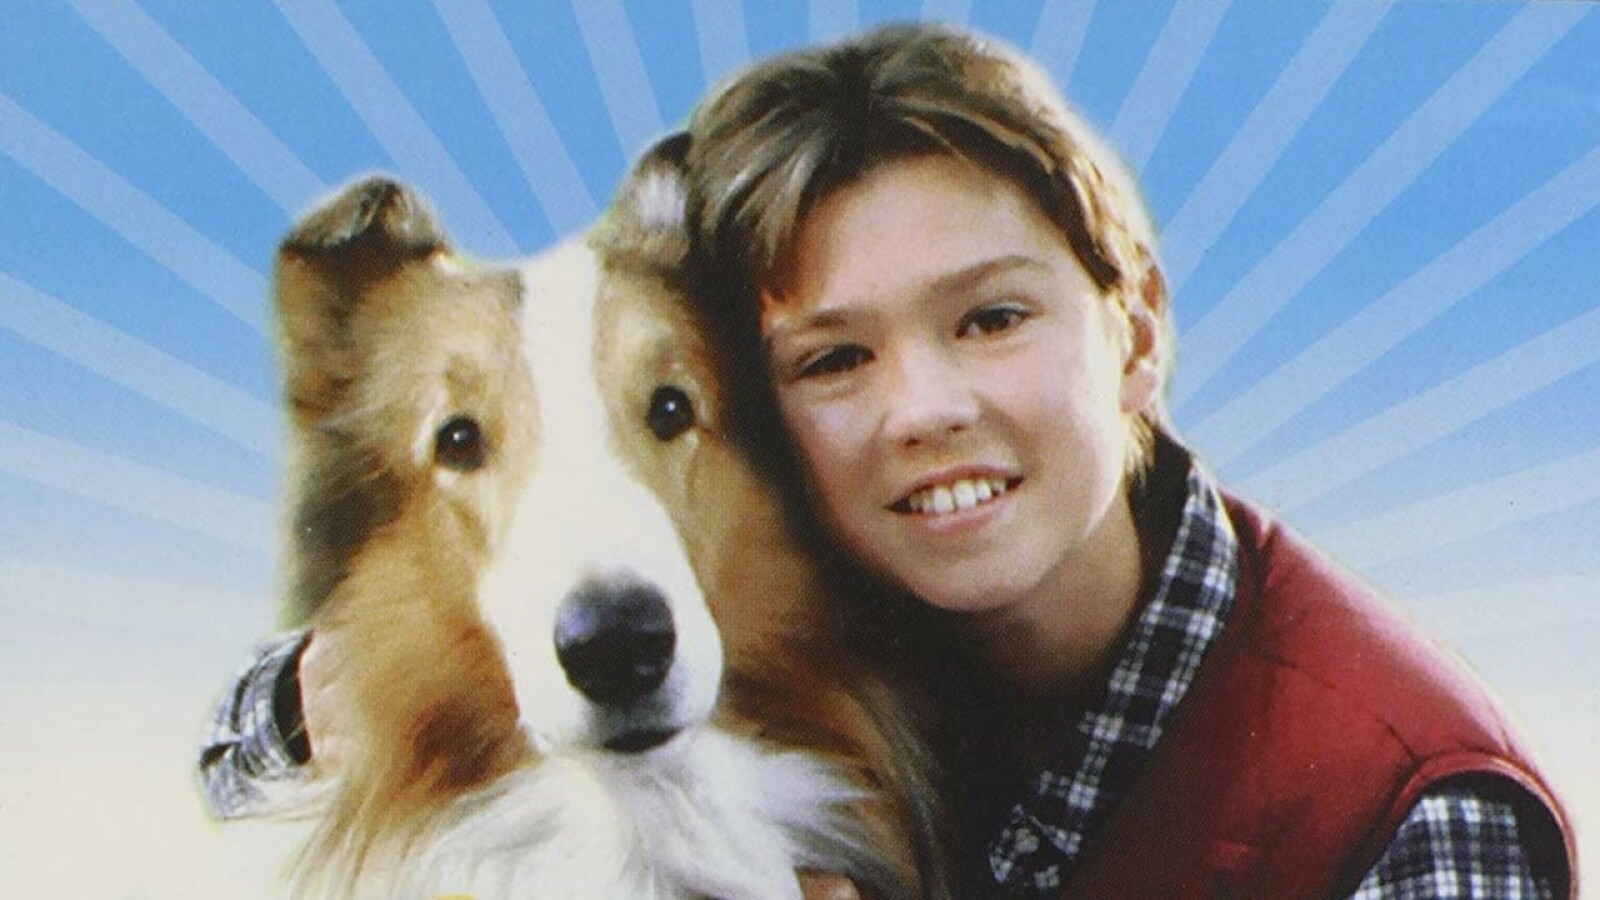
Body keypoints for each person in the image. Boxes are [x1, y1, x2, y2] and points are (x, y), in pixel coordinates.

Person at [202, 22, 1575, 899]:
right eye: (835, 358)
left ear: (1139, 328)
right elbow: (279, 727)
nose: (923, 410)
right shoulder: (871, 602)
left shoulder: (1415, 810)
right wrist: (303, 705)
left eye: (991, 318)